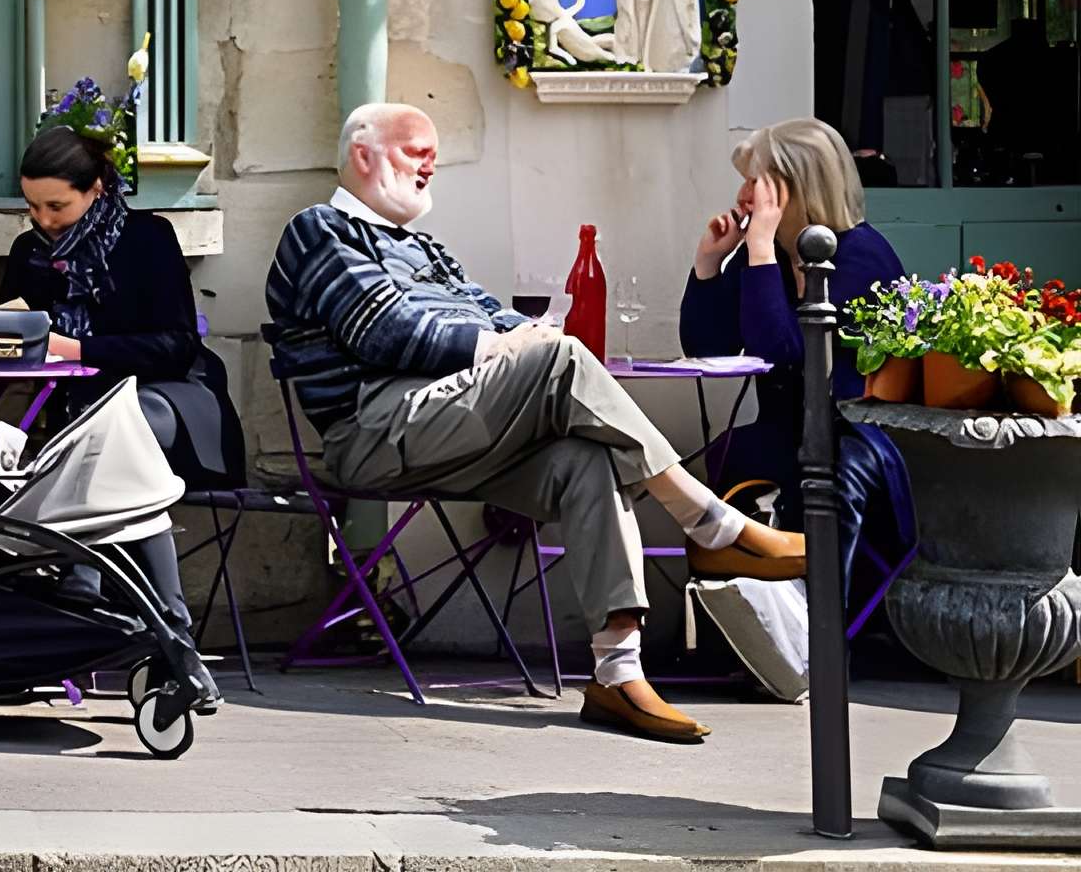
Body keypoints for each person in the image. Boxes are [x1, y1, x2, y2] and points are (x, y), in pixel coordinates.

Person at [265, 101, 810, 744]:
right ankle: (710, 522)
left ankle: (616, 672)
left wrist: (517, 336)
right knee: (559, 354)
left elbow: (492, 313)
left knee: (587, 458)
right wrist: (505, 346)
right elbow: (386, 329)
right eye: (418, 151)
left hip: (459, 424)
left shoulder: (425, 248)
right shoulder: (320, 230)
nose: (431, 165)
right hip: (376, 428)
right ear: (364, 154)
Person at [0, 123, 235, 704]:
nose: (44, 219)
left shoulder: (147, 238)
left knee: (122, 429)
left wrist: (79, 351)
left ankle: (83, 576)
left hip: (171, 402)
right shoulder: (30, 253)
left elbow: (177, 345)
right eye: (32, 206)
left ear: (97, 189)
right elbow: (10, 337)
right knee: (106, 442)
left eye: (57, 205)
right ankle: (176, 646)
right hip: (78, 421)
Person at [678, 117, 912, 581]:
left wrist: (761, 248)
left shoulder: (862, 255)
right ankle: (740, 622)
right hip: (785, 435)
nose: (744, 195)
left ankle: (813, 625)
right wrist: (709, 263)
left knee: (749, 461)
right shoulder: (770, 254)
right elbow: (709, 347)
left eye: (756, 182)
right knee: (727, 454)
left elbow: (785, 349)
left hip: (851, 441)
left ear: (798, 188)